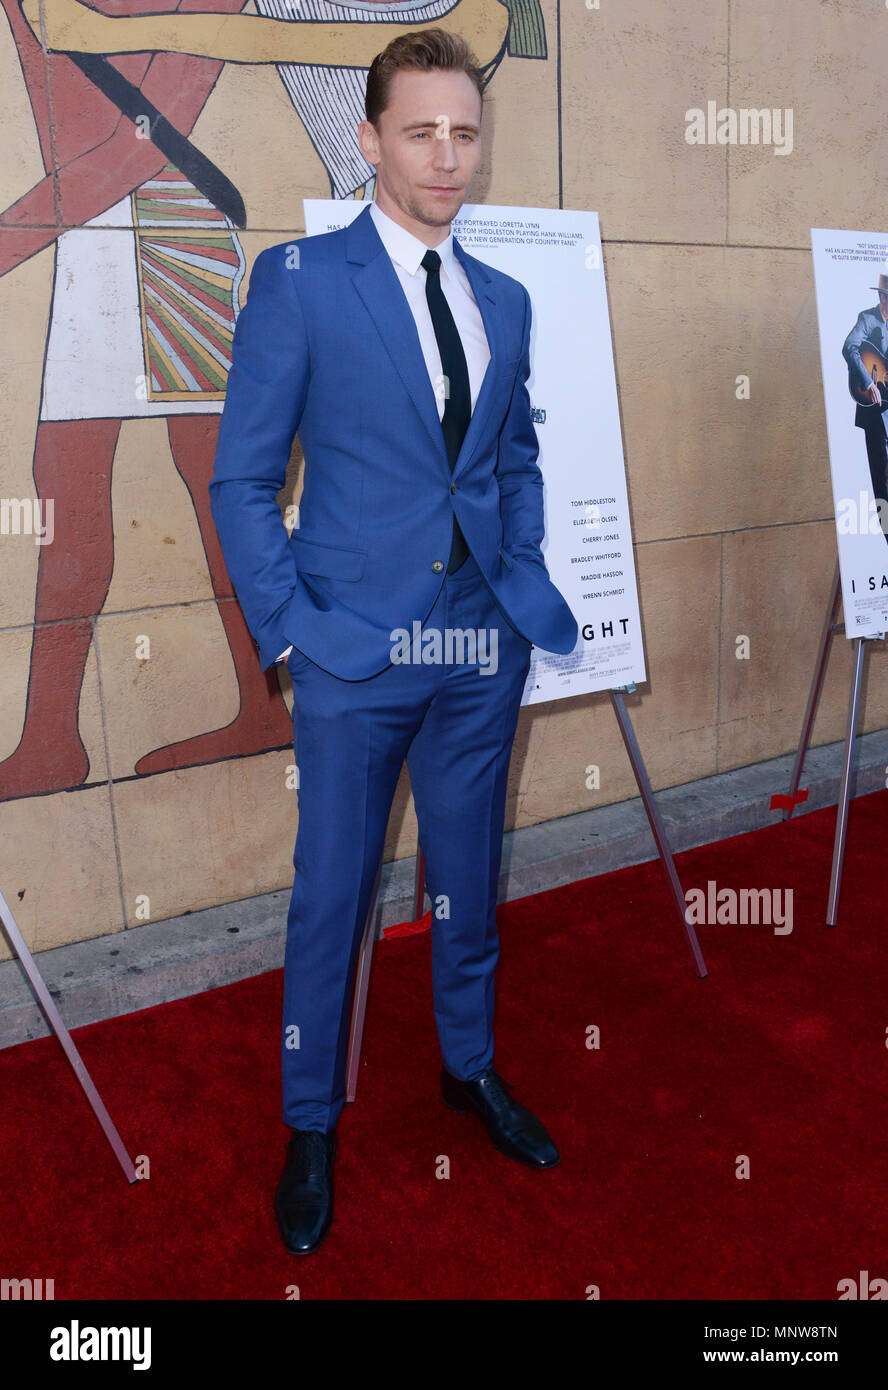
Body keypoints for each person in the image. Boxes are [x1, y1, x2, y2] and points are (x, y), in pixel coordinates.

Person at [209, 28, 578, 1255]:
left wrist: (519, 578)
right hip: (352, 656)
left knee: (470, 882)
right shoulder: (301, 282)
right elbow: (242, 484)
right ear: (369, 140)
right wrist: (296, 636)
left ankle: (465, 1070)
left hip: (483, 646)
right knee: (333, 898)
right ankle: (310, 1120)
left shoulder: (508, 298)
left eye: (466, 132)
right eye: (421, 131)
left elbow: (512, 456)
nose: (447, 155)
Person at [842, 275, 888, 544]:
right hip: (874, 409)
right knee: (880, 477)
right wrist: (869, 381)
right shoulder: (867, 319)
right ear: (882, 298)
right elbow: (850, 347)